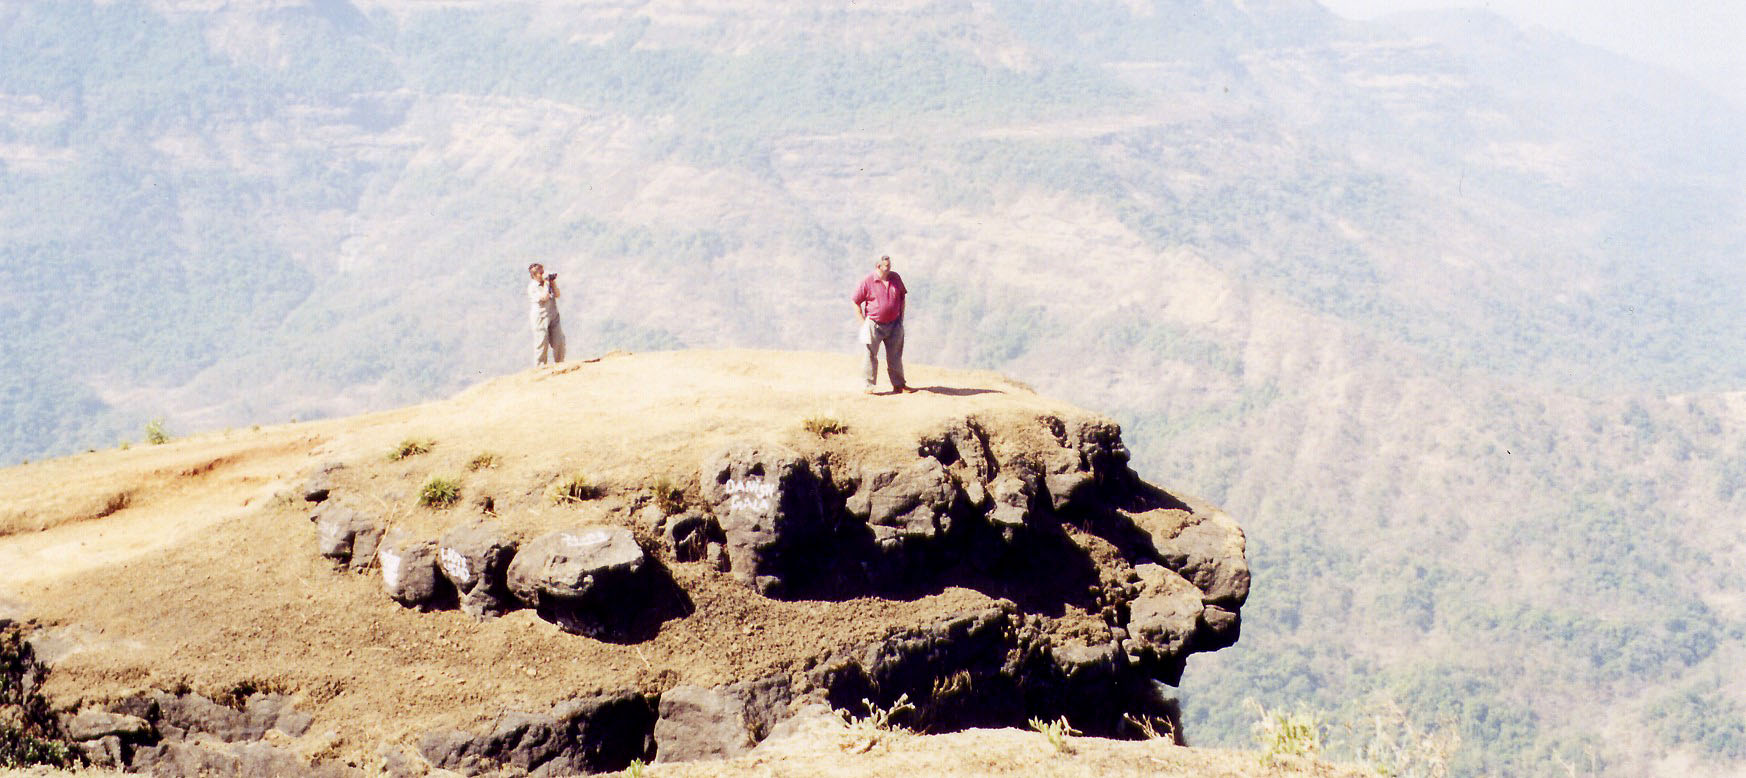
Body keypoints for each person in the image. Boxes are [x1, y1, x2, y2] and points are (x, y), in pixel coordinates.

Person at [852, 255, 915, 394]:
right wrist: (863, 324)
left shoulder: (895, 278)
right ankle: (868, 386)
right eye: (886, 266)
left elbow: (902, 298)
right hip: (874, 324)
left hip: (895, 324)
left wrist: (901, 318)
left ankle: (899, 385)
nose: (889, 268)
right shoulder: (868, 281)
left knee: (895, 356)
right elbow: (856, 301)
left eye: (889, 265)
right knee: (870, 355)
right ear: (878, 266)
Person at [527, 262, 565, 365]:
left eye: (543, 272)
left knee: (559, 341)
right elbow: (544, 297)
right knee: (542, 344)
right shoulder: (533, 287)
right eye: (540, 273)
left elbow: (557, 294)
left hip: (553, 315)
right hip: (540, 318)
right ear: (534, 276)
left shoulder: (547, 283)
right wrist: (547, 283)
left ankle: (560, 364)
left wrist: (553, 282)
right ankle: (540, 368)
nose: (543, 274)